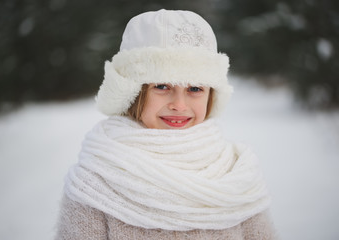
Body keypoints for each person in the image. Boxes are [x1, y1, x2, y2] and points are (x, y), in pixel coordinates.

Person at [55, 9, 276, 240]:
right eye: (162, 86)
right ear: (134, 92)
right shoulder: (97, 180)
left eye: (195, 88)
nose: (179, 105)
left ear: (211, 95)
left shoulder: (235, 173)